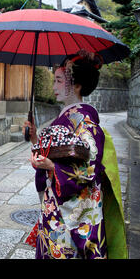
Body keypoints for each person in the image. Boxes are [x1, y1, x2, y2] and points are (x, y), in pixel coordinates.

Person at [23, 49, 128, 259]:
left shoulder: (87, 123)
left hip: (75, 210)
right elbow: (53, 152)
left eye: (59, 80)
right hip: (58, 202)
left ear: (77, 85)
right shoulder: (65, 118)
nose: (53, 86)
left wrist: (53, 168)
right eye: (54, 80)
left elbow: (90, 169)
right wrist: (35, 139)